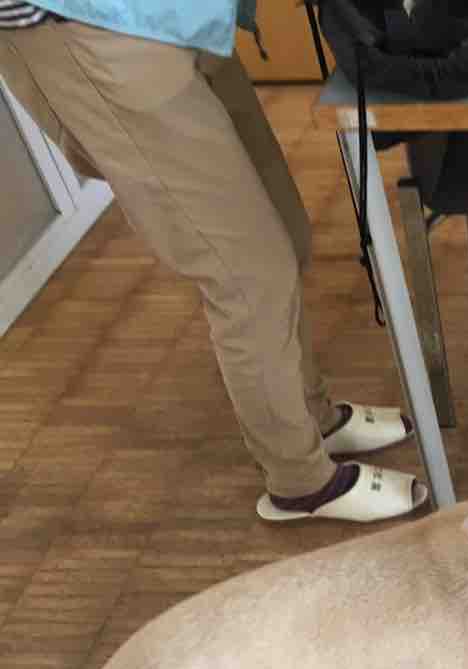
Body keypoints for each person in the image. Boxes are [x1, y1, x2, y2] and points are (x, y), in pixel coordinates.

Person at [0, 1, 428, 524]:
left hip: (182, 14)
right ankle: (299, 480)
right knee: (245, 275)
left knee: (285, 232)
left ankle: (311, 416)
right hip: (90, 28)